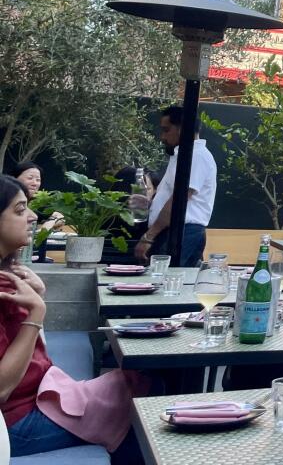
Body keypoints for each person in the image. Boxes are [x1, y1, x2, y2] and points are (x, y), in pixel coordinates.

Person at [0, 176, 146, 461]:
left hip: (40, 396)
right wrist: (36, 313)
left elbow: (32, 358)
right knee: (141, 411)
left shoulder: (8, 278)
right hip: (15, 424)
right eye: (19, 210)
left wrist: (38, 299)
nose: (32, 217)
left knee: (139, 383)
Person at [135, 106, 218, 268]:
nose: (162, 137)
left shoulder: (197, 156)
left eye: (166, 130)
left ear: (182, 129)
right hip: (173, 232)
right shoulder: (183, 155)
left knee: (165, 284)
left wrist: (148, 237)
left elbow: (178, 203)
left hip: (183, 233)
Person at [8, 163, 62, 262]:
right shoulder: (5, 202)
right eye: (30, 178)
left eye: (38, 180)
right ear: (14, 179)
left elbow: (59, 216)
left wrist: (48, 224)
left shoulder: (35, 203)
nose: (35, 183)